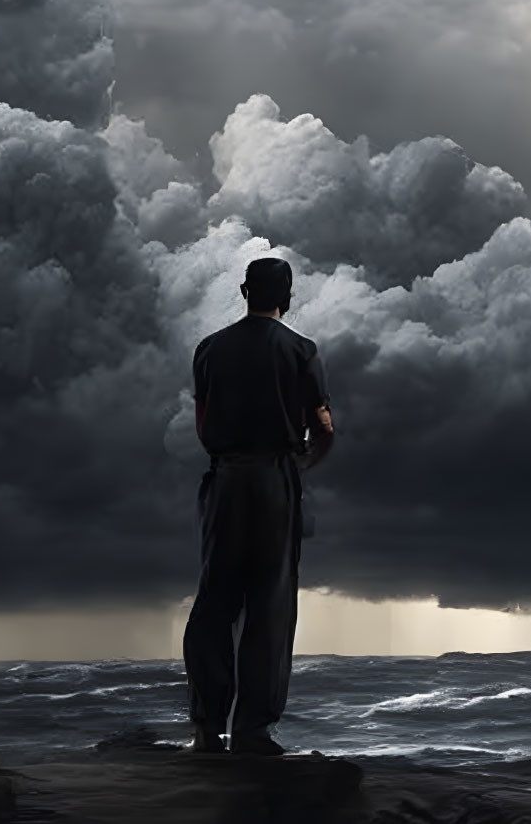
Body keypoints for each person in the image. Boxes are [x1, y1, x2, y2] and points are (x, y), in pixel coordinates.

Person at [184, 257, 336, 756]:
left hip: (226, 479)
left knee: (214, 602)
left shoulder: (209, 350)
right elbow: (324, 429)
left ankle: (207, 727)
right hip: (275, 480)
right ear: (286, 295)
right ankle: (253, 731)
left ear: (244, 291)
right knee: (270, 605)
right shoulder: (300, 351)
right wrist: (299, 467)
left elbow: (203, 421)